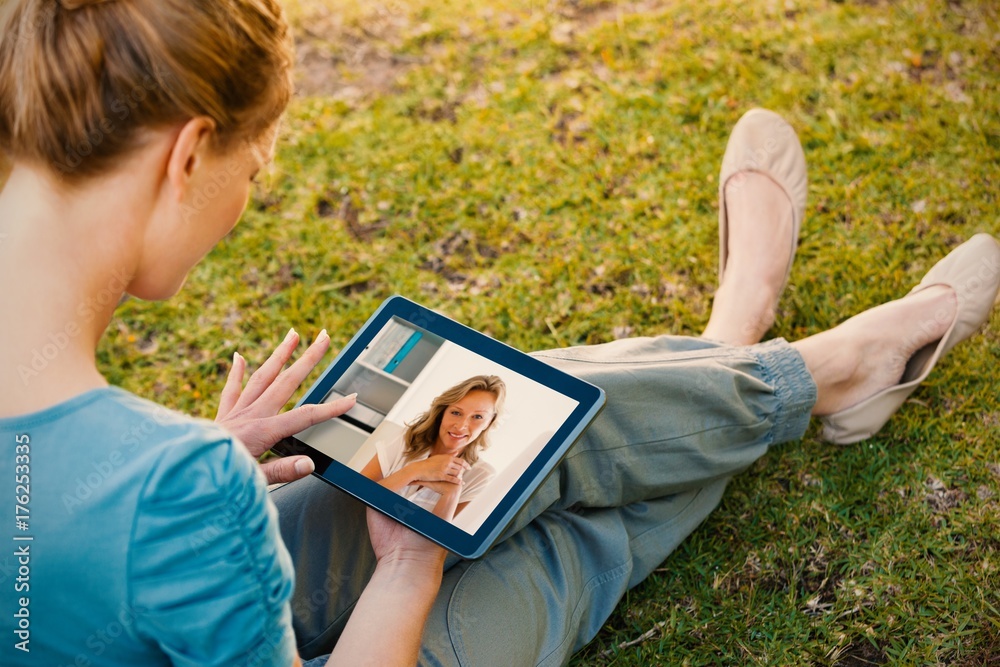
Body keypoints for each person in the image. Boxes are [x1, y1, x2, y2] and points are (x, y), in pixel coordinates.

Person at [0, 2, 997, 666]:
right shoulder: (175, 486)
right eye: (252, 175)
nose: (244, 204)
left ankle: (768, 350)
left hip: (156, 596)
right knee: (559, 547)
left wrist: (188, 473)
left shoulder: (168, 480)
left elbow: (41, 551)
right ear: (185, 158)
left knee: (527, 430)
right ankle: (785, 358)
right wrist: (406, 565)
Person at [359, 375, 506, 521]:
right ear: (443, 411)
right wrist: (414, 471)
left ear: (489, 422)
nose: (461, 426)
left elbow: (440, 543)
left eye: (478, 417)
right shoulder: (406, 439)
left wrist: (451, 495)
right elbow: (354, 494)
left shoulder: (481, 476)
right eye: (456, 413)